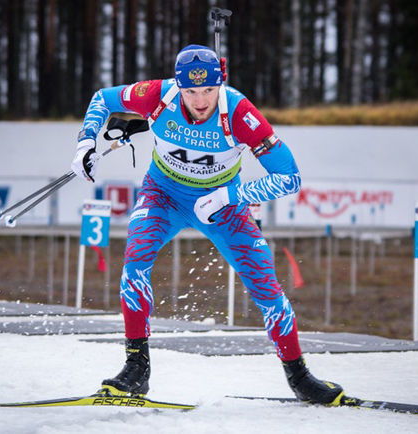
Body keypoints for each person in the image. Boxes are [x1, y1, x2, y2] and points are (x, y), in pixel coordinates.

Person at [70, 44, 343, 405]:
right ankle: (136, 369)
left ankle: (300, 376)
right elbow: (102, 99)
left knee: (268, 291)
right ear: (178, 86)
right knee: (134, 263)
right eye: (191, 91)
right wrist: (86, 142)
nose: (200, 101)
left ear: (221, 83)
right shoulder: (158, 95)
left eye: (209, 91)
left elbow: (289, 177)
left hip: (222, 206)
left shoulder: (240, 113)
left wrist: (232, 196)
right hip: (163, 196)